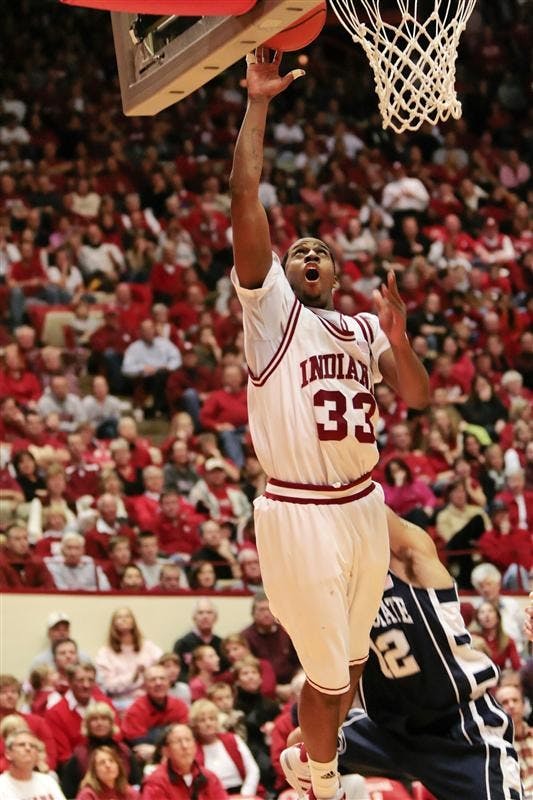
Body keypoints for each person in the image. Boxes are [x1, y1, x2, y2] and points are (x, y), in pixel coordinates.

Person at [229, 47, 430, 800]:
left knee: (348, 665)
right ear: (283, 272)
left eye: (321, 252)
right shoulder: (271, 313)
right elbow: (244, 197)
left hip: (363, 506)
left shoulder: (358, 329)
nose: (307, 255)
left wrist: (401, 342)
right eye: (297, 251)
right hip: (299, 509)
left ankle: (304, 759)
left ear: (338, 273)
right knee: (323, 670)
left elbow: (417, 395)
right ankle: (318, 779)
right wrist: (258, 103)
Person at [281, 508, 524, 800]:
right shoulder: (338, 600)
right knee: (300, 749)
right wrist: (323, 755)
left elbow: (363, 500)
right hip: (390, 732)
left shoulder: (413, 562)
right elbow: (340, 681)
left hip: (459, 729)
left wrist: (332, 483)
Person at [60, 703, 141, 799]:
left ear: (111, 723)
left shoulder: (124, 751)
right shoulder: (78, 755)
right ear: (87, 725)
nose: (99, 723)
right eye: (94, 719)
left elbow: (136, 783)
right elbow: (68, 792)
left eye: (104, 719)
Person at [94, 608, 163, 712]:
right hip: (121, 702)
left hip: (149, 698)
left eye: (127, 616)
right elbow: (108, 686)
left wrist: (148, 674)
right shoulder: (105, 653)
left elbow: (163, 666)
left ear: (133, 621)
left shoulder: (148, 647)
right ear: (114, 624)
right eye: (119, 617)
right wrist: (133, 677)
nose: (124, 620)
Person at [189, 698, 260, 797]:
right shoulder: (192, 749)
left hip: (242, 792)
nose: (208, 723)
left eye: (212, 719)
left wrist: (245, 795)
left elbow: (253, 769)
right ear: (195, 725)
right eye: (202, 720)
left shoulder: (233, 739)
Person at [120, 665, 189, 765]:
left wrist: (157, 749)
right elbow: (139, 744)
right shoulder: (135, 710)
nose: (158, 683)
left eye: (162, 679)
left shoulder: (179, 706)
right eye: (153, 680)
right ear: (144, 685)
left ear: (169, 683)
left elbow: (185, 736)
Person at [140, 723, 228, 799]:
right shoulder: (156, 783)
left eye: (188, 740)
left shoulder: (209, 777)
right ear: (166, 751)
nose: (185, 746)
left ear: (195, 746)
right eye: (178, 741)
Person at [0, 730, 67, 800]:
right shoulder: (2, 785)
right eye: (21, 745)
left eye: (32, 746)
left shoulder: (48, 781)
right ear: (8, 754)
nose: (28, 748)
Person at [494, 682, 533, 795]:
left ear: (523, 704)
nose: (511, 705)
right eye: (505, 702)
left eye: (515, 700)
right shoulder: (497, 747)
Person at [75, 745, 140, 800]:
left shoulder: (128, 791)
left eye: (111, 761)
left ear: (118, 766)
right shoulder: (87, 794)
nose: (108, 765)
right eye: (102, 762)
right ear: (94, 771)